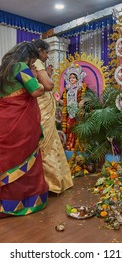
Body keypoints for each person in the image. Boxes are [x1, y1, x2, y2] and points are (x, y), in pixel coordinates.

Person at [0, 41, 48, 218]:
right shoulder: (20, 65)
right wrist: (39, 81)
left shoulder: (4, 68)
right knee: (25, 159)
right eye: (32, 60)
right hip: (20, 122)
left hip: (4, 120)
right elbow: (35, 91)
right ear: (28, 56)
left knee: (6, 159)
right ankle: (23, 203)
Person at [32, 39, 73, 194]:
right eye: (46, 52)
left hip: (44, 108)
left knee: (50, 141)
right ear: (39, 50)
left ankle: (54, 181)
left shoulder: (33, 63)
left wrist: (47, 75)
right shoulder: (37, 62)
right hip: (42, 110)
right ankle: (52, 184)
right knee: (47, 144)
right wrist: (48, 77)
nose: (47, 56)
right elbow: (48, 86)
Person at [61, 63, 87, 151]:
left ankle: (76, 146)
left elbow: (85, 99)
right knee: (69, 127)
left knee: (77, 129)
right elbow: (63, 102)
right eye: (70, 78)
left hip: (78, 114)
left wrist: (82, 101)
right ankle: (69, 144)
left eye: (74, 77)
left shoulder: (80, 90)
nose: (72, 79)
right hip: (69, 114)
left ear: (77, 79)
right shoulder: (66, 91)